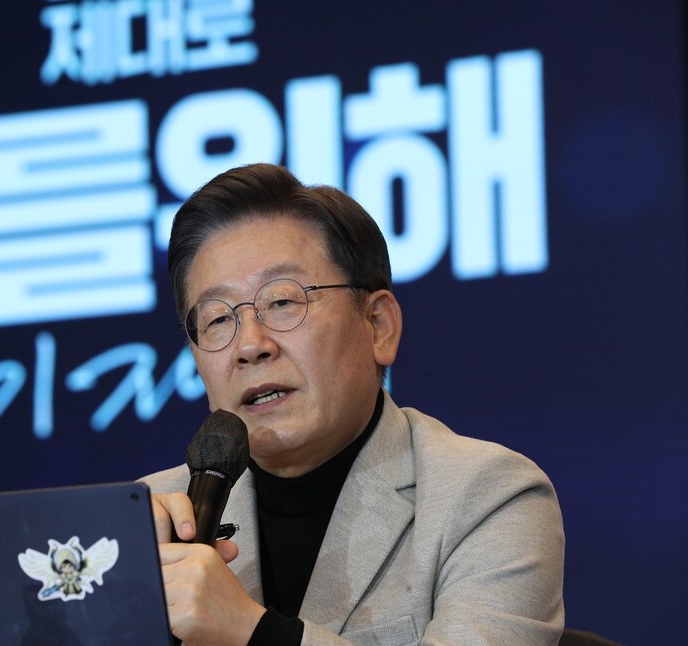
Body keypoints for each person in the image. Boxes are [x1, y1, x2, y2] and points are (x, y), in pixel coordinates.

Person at [141, 163, 565, 645]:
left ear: (378, 326)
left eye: (282, 301)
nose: (250, 345)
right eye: (218, 319)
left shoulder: (486, 497)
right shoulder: (149, 523)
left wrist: (252, 632)